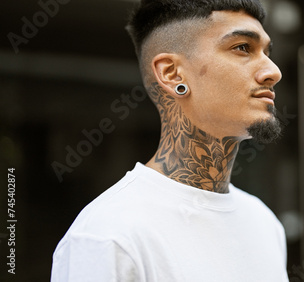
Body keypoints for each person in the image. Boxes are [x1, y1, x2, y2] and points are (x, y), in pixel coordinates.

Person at [50, 0, 288, 281]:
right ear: (172, 73)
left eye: (266, 52)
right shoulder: (108, 237)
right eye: (242, 48)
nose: (273, 71)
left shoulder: (263, 223)